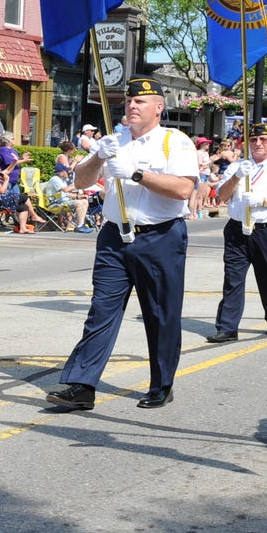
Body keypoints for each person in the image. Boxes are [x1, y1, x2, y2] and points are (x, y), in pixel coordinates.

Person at [46, 79, 199, 411]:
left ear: (159, 107)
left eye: (140, 101)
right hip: (114, 236)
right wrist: (98, 156)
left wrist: (136, 174)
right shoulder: (115, 140)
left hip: (159, 235)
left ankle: (161, 384)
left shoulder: (175, 141)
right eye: (129, 100)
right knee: (101, 310)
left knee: (160, 313)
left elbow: (183, 189)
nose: (132, 106)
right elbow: (81, 181)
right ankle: (82, 384)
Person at [206, 123, 267, 343]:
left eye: (263, 140)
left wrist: (264, 200)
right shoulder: (237, 166)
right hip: (237, 230)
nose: (258, 143)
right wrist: (237, 176)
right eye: (253, 140)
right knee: (233, 279)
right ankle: (227, 328)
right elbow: (222, 196)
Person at [0, 161, 32, 234]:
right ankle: (34, 215)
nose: (0, 170)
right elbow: (2, 191)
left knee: (23, 207)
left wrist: (15, 162)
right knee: (24, 197)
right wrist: (6, 180)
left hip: (3, 200)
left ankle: (22, 228)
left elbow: (8, 170)